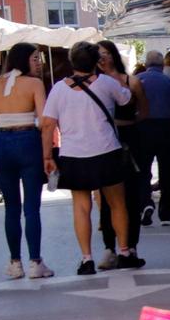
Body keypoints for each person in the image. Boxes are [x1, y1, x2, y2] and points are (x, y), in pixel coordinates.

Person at [41, 40, 142, 275]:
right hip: (107, 149)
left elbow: (47, 124)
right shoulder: (106, 83)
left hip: (73, 154)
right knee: (117, 203)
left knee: (81, 206)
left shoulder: (58, 89)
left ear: (72, 62)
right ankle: (125, 252)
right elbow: (127, 99)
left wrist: (47, 155)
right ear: (96, 61)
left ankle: (86, 259)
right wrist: (109, 73)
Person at [0, 42, 54, 279]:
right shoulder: (34, 84)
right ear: (23, 60)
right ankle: (36, 261)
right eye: (35, 59)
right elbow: (45, 120)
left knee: (11, 207)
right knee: (32, 206)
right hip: (28, 140)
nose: (38, 63)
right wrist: (47, 153)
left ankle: (15, 263)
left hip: (2, 143)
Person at [94, 39, 146, 256]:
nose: (103, 58)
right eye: (98, 54)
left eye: (106, 53)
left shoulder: (131, 81)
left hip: (129, 139)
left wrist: (131, 126)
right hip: (104, 140)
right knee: (106, 197)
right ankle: (109, 246)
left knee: (131, 196)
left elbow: (144, 111)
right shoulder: (93, 83)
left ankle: (131, 245)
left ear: (114, 55)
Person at [134, 49, 170, 229]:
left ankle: (145, 203)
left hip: (142, 129)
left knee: (142, 170)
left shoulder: (137, 81)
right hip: (167, 128)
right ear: (162, 64)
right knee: (169, 172)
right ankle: (166, 214)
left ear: (146, 63)